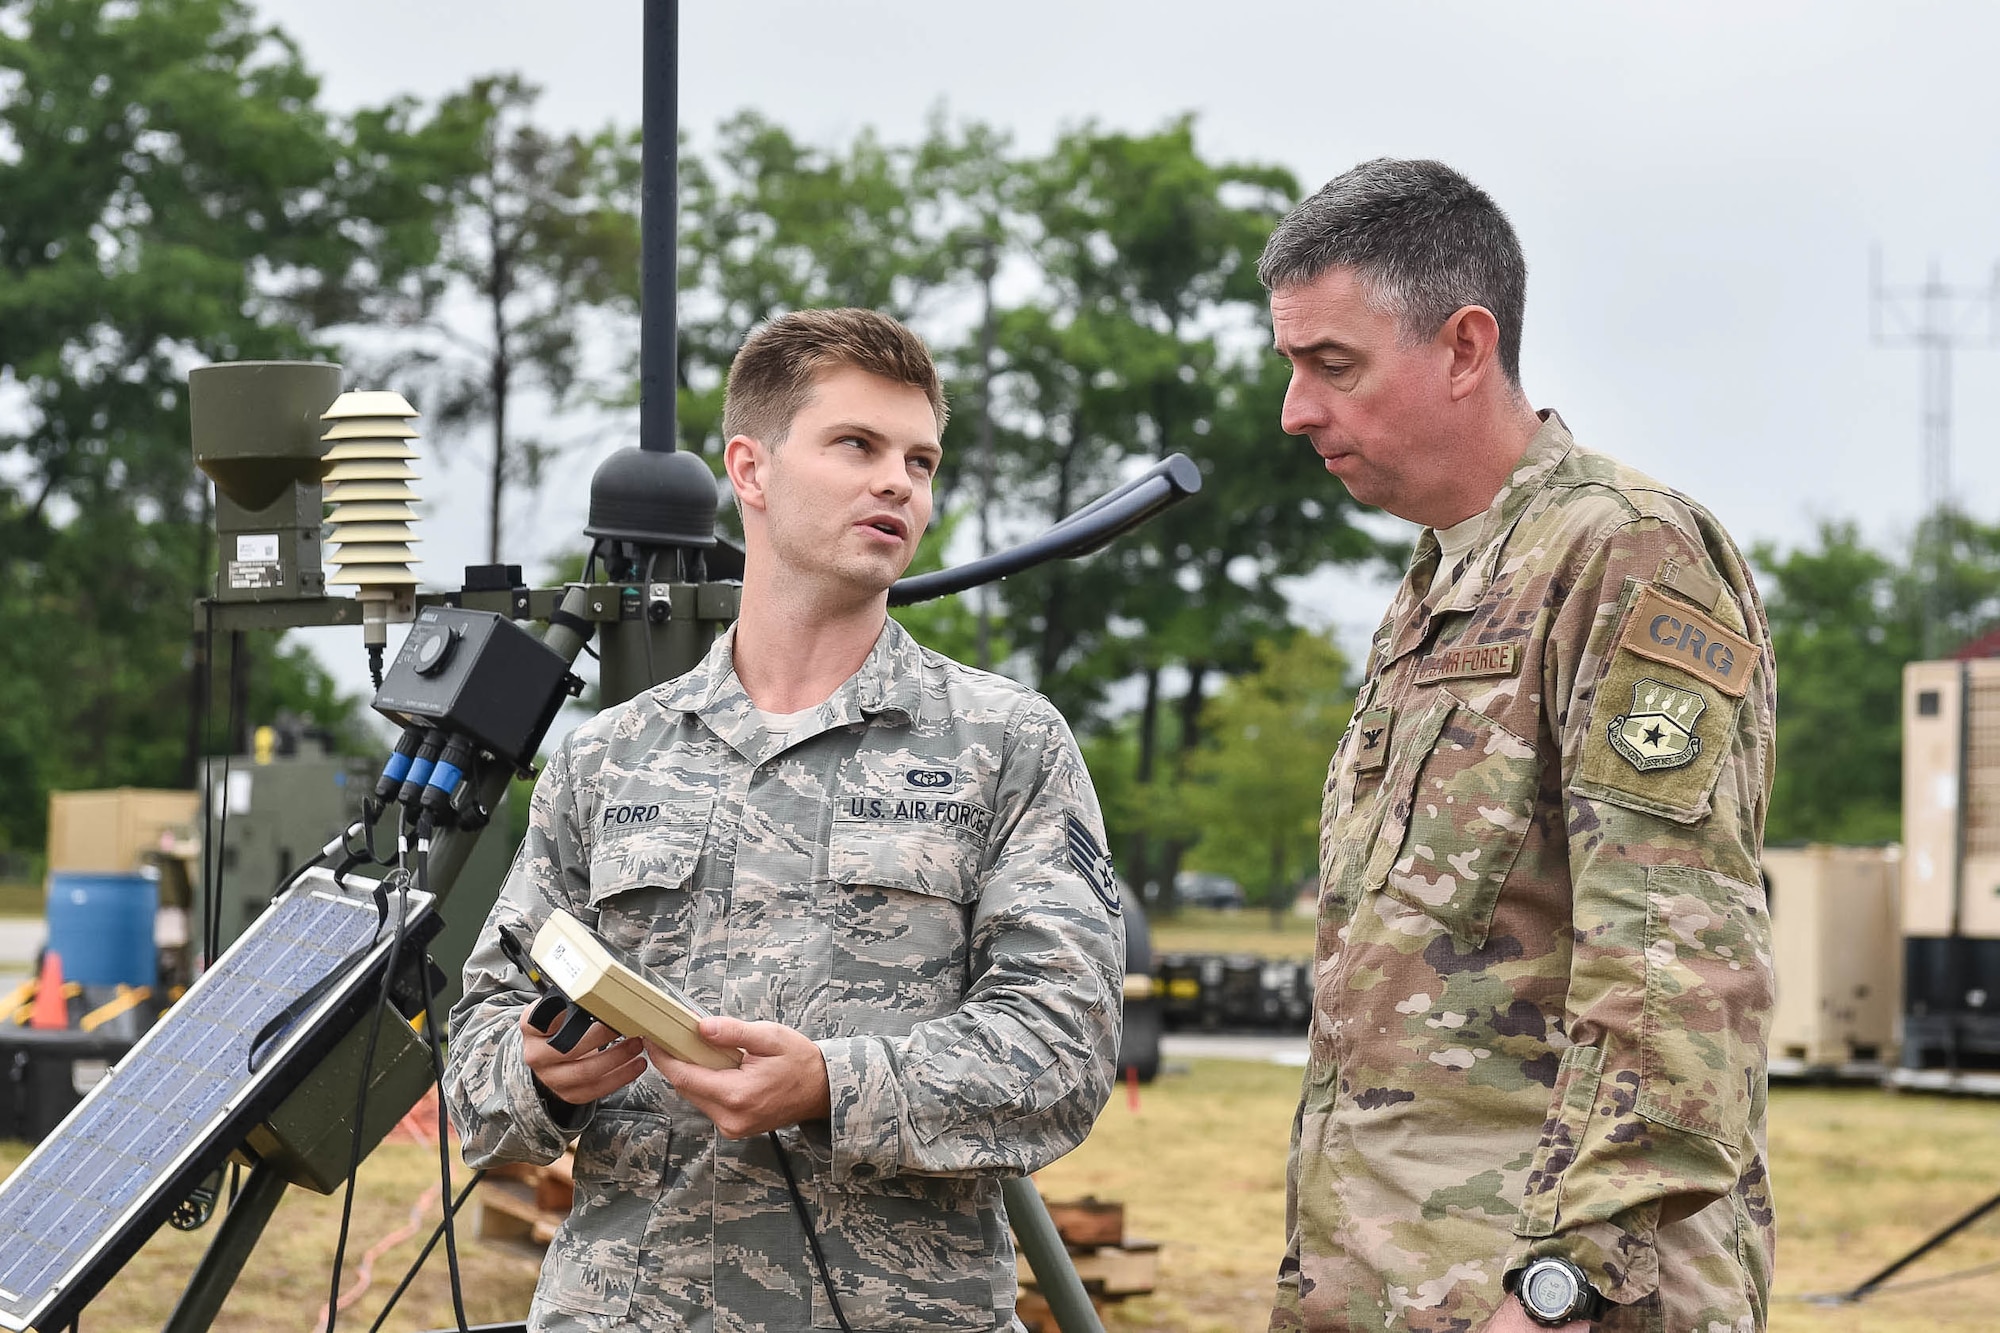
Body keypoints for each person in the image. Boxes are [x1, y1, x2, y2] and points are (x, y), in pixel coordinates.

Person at [443, 308, 1125, 1333]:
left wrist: (829, 1083)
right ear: (750, 471)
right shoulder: (609, 755)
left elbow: (1062, 1055)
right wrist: (539, 1071)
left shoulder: (1005, 744)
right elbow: (477, 1055)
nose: (897, 482)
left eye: (920, 459)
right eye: (855, 444)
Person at [1261, 159, 1776, 1333]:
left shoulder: (1625, 553)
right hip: (1399, 1283)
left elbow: (1671, 956)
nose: (1294, 411)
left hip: (1543, 1299)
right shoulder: (1442, 580)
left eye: (1331, 365)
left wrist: (1562, 1288)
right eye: (1291, 368)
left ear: (1461, 346)